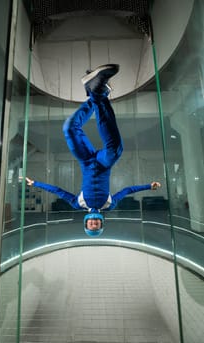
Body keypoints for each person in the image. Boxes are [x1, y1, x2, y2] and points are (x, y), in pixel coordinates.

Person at [24, 64, 161, 237]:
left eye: (91, 224)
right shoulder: (109, 204)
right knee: (115, 150)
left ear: (86, 222)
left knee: (69, 128)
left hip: (86, 160)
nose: (94, 222)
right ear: (102, 222)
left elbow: (57, 190)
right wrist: (149, 186)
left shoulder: (77, 203)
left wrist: (35, 184)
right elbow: (127, 191)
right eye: (97, 224)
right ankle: (97, 91)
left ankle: (97, 91)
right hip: (104, 163)